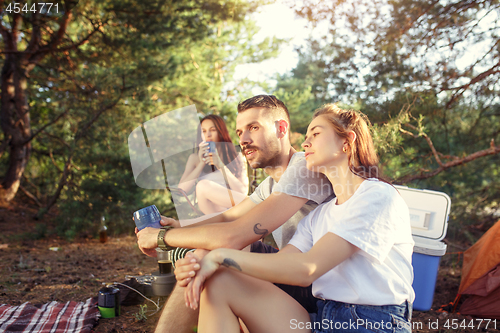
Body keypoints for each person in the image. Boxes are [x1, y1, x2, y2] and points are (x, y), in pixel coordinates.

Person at [177, 104, 415, 333]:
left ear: (347, 141)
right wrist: (206, 260)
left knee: (219, 266)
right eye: (307, 135)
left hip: (373, 322)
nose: (305, 142)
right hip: (323, 318)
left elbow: (307, 269)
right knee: (219, 283)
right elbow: (283, 262)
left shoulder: (377, 195)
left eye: (316, 133)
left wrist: (220, 256)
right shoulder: (319, 215)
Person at [136, 95, 334, 333]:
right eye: (240, 132)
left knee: (214, 255)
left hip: (319, 288)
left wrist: (161, 239)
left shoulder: (304, 167)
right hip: (291, 272)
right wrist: (175, 226)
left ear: (281, 128)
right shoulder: (270, 184)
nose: (244, 139)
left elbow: (233, 235)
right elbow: (228, 216)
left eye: (253, 128)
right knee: (204, 257)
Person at [176, 114, 248, 215]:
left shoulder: (235, 156)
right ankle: (257, 206)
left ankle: (247, 210)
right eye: (204, 131)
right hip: (211, 210)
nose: (208, 135)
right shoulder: (194, 158)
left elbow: (243, 192)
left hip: (233, 207)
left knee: (203, 185)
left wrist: (221, 166)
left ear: (221, 132)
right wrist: (202, 163)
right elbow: (181, 190)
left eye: (212, 130)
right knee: (202, 185)